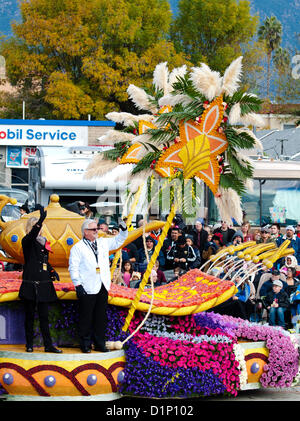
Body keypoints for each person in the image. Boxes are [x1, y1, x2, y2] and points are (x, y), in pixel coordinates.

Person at [68, 218, 128, 353]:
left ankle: (100, 343)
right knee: (86, 317)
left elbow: (119, 240)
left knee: (100, 317)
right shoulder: (78, 247)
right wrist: (78, 285)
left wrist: (123, 229)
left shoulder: (103, 243)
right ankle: (85, 344)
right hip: (87, 286)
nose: (97, 231)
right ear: (85, 232)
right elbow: (73, 268)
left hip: (103, 284)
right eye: (94, 229)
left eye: (97, 229)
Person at [18, 205, 62, 353]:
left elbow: (43, 260)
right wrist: (41, 219)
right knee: (29, 316)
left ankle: (48, 345)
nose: (40, 228)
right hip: (31, 284)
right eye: (38, 226)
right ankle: (29, 344)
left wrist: (51, 270)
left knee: (44, 317)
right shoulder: (27, 241)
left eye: (41, 226)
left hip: (43, 284)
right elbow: (32, 235)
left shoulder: (44, 243)